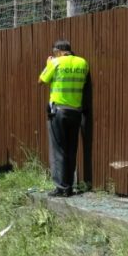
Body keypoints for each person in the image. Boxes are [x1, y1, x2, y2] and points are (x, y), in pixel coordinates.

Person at [38, 40, 89, 197]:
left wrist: (48, 64)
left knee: (58, 150)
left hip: (58, 111)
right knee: (71, 149)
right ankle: (70, 185)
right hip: (76, 112)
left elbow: (41, 81)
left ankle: (62, 187)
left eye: (54, 53)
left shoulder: (56, 63)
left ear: (58, 51)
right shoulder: (83, 63)